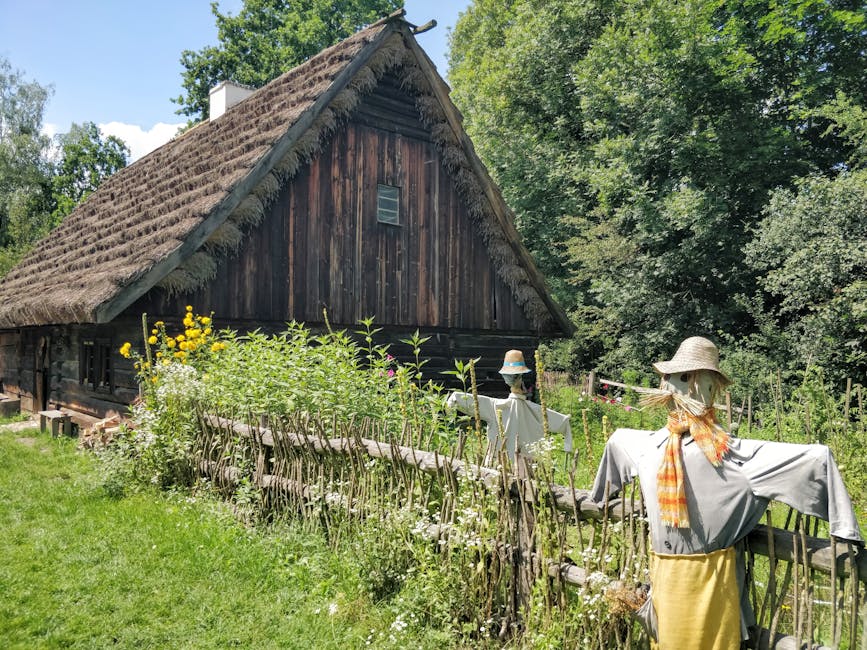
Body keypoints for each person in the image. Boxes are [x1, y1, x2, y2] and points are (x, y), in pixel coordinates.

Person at [590, 336, 863, 649]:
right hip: (669, 580)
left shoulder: (724, 455)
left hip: (706, 585)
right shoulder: (662, 447)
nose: (675, 387)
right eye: (674, 379)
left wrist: (846, 529)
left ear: (704, 385)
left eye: (681, 378)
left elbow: (815, 458)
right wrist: (846, 530)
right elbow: (816, 458)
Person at [447, 350, 572, 465]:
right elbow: (563, 422)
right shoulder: (537, 411)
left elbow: (460, 399)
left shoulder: (494, 406)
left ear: (505, 378)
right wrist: (567, 447)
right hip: (528, 467)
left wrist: (451, 402)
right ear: (521, 376)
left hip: (500, 465)